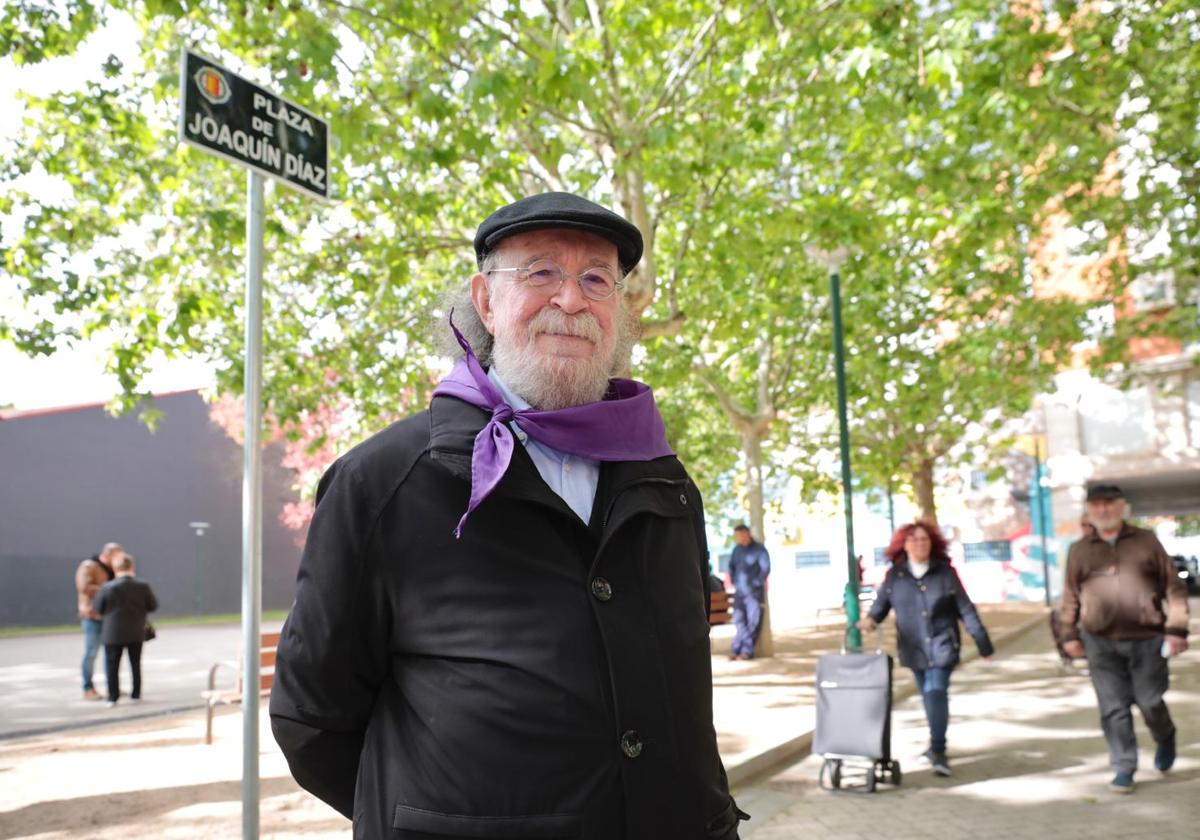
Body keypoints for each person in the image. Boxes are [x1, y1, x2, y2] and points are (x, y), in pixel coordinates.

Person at [270, 192, 746, 840]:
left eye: (596, 279)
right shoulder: (380, 484)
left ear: (619, 311)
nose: (571, 300)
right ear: (486, 301)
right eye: (541, 272)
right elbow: (312, 719)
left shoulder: (665, 479)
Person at [1060, 483, 1190, 794]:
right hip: (1100, 642)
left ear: (1122, 507)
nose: (1103, 510)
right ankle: (1123, 767)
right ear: (1089, 511)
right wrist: (1068, 634)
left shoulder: (1146, 541)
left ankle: (1165, 735)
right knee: (1113, 707)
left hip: (1147, 638)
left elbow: (1173, 588)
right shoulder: (1079, 550)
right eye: (1096, 505)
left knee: (1149, 701)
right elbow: (1069, 597)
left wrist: (1176, 629)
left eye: (1109, 504)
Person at [857, 520, 993, 777]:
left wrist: (983, 643)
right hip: (913, 649)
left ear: (932, 543)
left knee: (935, 692)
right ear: (904, 545)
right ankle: (934, 746)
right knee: (929, 696)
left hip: (942, 645)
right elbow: (881, 606)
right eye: (914, 540)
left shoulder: (945, 573)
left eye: (925, 539)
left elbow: (965, 608)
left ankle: (939, 751)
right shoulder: (895, 576)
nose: (920, 544)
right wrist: (869, 621)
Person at [94, 553, 158, 707]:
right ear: (132, 567)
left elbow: (98, 608)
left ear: (115, 568)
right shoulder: (143, 586)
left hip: (112, 633)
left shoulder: (107, 587)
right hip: (136, 631)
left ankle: (112, 697)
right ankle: (136, 694)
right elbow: (153, 606)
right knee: (135, 663)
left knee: (112, 665)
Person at [75, 542, 120, 700]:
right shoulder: (88, 566)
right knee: (91, 653)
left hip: (109, 617)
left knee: (110, 654)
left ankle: (112, 688)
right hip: (92, 616)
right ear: (107, 555)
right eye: (117, 557)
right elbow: (84, 587)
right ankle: (88, 688)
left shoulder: (113, 570)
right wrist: (109, 588)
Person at [727, 524, 770, 661]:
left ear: (747, 534)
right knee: (739, 620)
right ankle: (737, 649)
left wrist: (755, 584)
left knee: (753, 622)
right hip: (739, 592)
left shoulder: (760, 550)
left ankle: (745, 651)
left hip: (754, 593)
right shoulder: (736, 550)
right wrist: (735, 582)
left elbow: (765, 569)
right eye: (736, 536)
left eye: (739, 535)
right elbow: (731, 566)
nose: (737, 539)